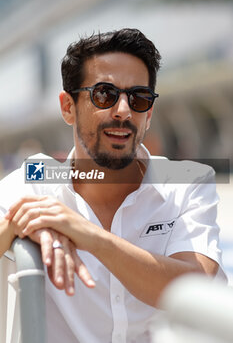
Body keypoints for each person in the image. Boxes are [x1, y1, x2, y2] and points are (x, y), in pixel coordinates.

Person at [0, 28, 226, 343]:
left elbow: (192, 287)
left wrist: (87, 234)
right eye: (104, 94)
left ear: (149, 114)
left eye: (139, 98)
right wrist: (20, 224)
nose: (123, 111)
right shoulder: (36, 178)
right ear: (68, 107)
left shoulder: (186, 180)